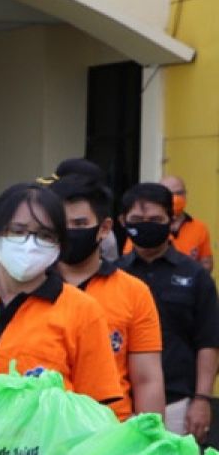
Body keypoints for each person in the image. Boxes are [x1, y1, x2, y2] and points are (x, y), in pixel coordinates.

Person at [0, 182, 124, 409]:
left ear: (59, 247)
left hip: (47, 443)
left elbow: (97, 407)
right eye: (17, 231)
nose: (30, 244)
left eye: (45, 235)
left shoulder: (82, 310)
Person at [50, 171, 165, 421]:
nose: (70, 232)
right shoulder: (30, 288)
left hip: (110, 435)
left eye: (80, 224)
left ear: (104, 228)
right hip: (42, 438)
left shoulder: (133, 292)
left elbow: (147, 379)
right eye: (62, 224)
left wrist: (152, 443)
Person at [119, 182, 219, 442]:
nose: (147, 225)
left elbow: (208, 342)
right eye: (137, 220)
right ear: (122, 221)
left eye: (155, 219)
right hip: (119, 405)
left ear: (172, 221)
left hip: (178, 403)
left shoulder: (195, 276)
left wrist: (202, 399)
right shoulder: (112, 275)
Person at [160, 174, 214, 271]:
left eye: (179, 193)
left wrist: (192, 266)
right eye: (169, 194)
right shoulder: (149, 225)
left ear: (185, 195)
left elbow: (207, 265)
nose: (175, 198)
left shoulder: (199, 227)